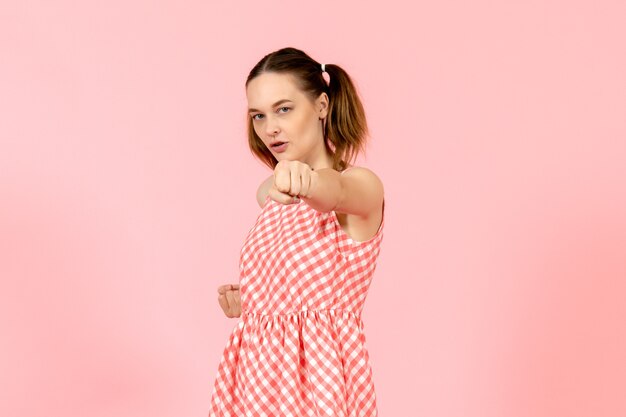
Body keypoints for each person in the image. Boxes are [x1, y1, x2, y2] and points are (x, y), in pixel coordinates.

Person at [208, 47, 385, 417]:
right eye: (259, 115)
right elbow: (298, 288)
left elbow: (332, 191)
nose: (269, 128)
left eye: (283, 109)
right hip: (254, 378)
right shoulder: (270, 194)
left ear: (321, 106)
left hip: (316, 386)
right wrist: (257, 300)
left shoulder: (360, 186)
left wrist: (305, 181)